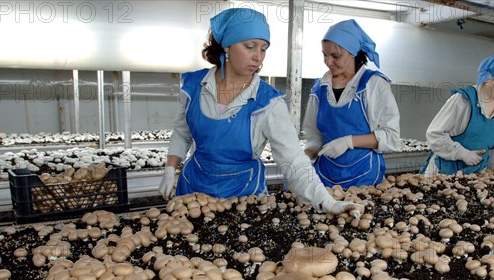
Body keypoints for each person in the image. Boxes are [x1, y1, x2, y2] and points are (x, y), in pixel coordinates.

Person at [158, 8, 361, 215]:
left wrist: (327, 202)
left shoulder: (268, 102)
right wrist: (169, 169)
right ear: (227, 46)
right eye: (249, 46)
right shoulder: (194, 86)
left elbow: (294, 161)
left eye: (263, 49)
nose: (258, 57)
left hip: (244, 199)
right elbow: (182, 134)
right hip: (193, 192)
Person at [301, 19, 401, 189]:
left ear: (353, 52)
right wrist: (303, 157)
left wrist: (348, 142)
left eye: (335, 56)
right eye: (324, 55)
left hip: (365, 179)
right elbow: (314, 136)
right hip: (325, 178)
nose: (328, 62)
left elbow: (391, 137)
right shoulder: (319, 89)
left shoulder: (373, 84)